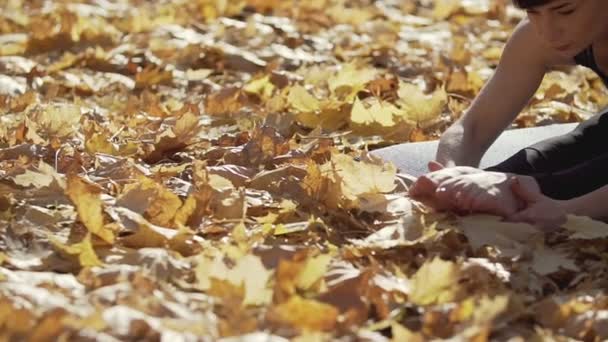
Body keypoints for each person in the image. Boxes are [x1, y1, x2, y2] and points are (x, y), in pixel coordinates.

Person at [408, 0, 608, 229]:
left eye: (566, 11)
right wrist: (450, 177)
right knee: (565, 150)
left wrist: (568, 211)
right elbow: (472, 129)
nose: (548, 32)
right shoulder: (537, 36)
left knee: (541, 186)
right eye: (533, 13)